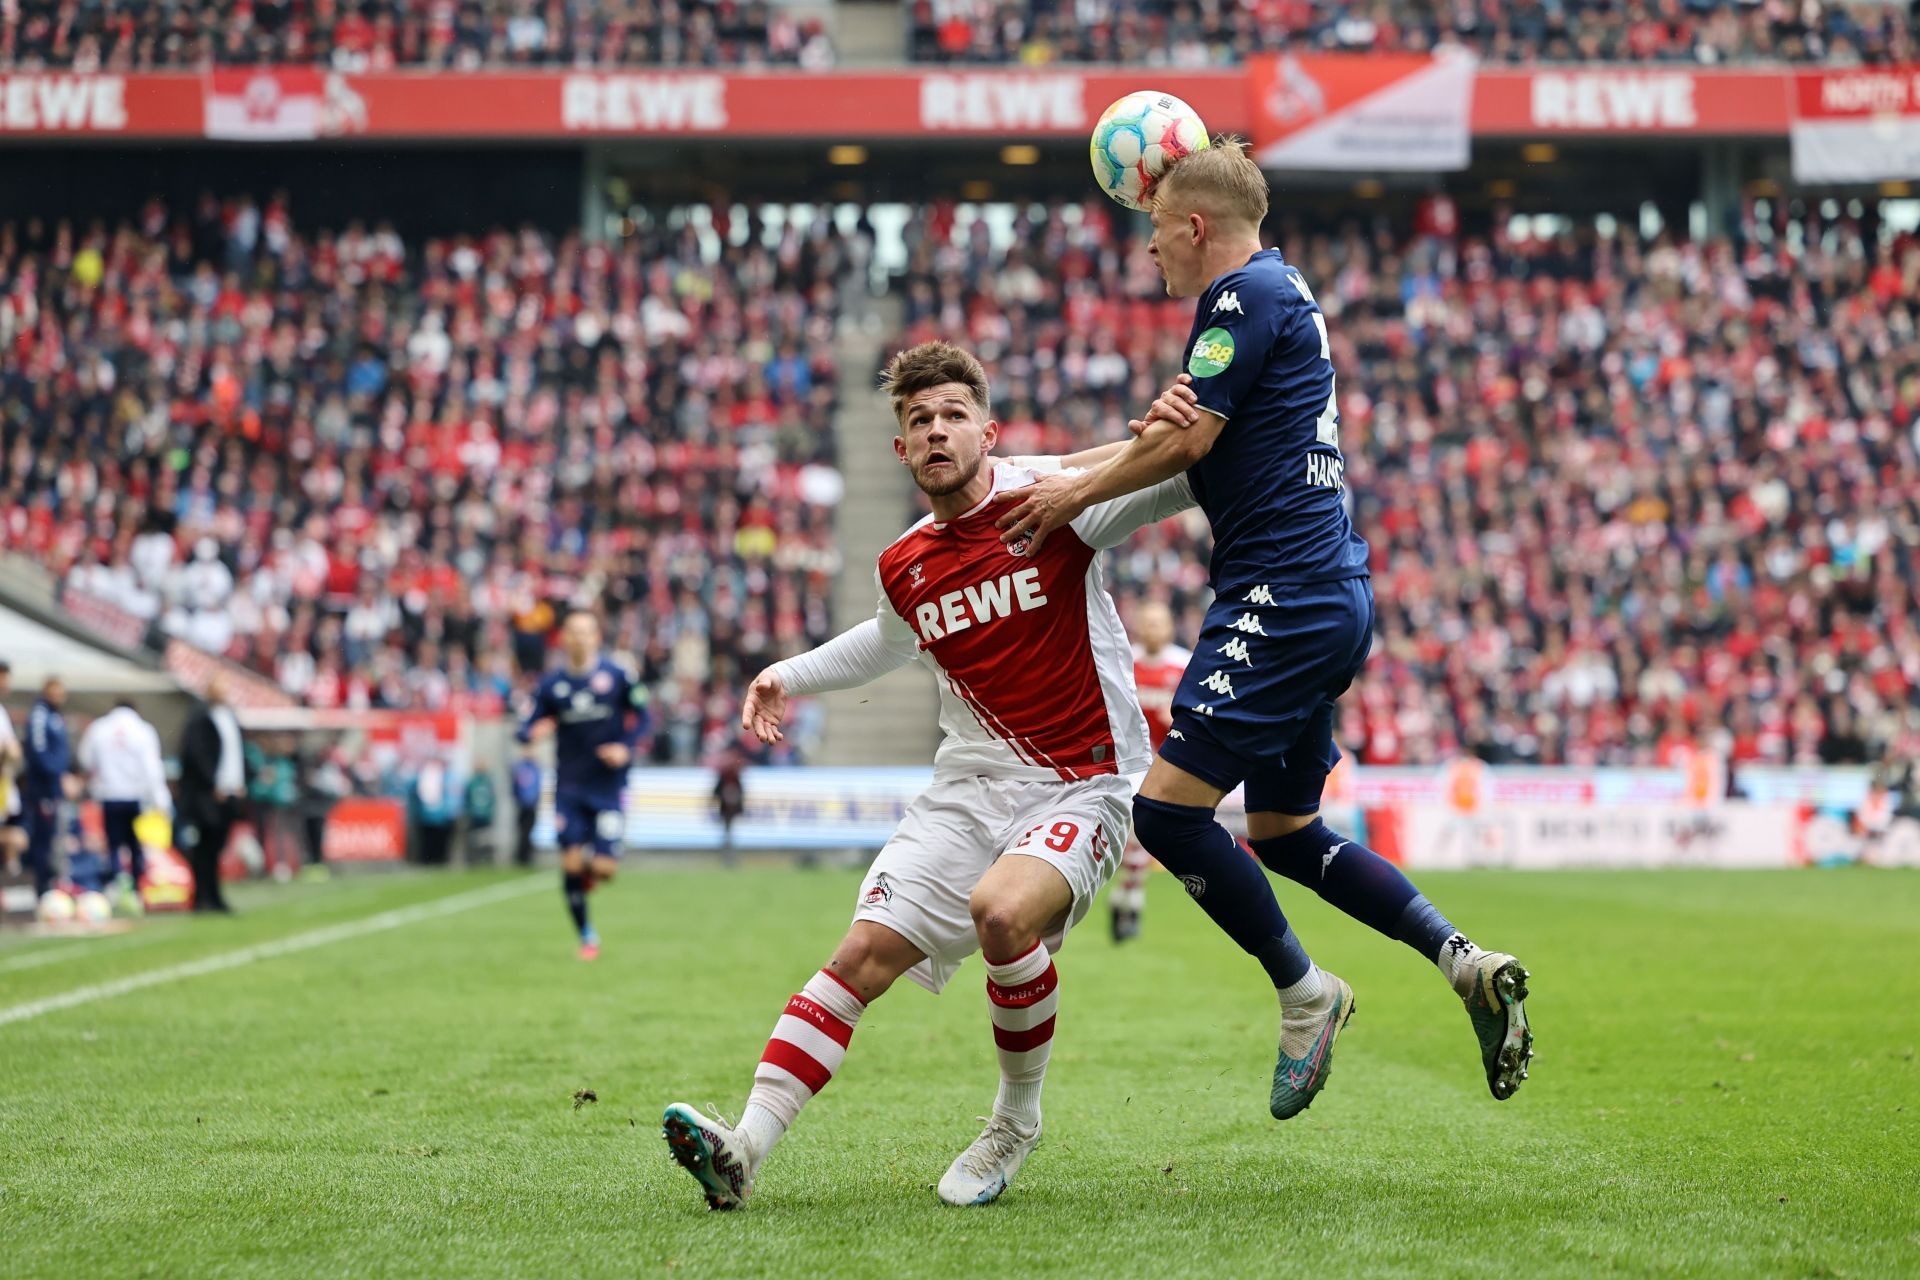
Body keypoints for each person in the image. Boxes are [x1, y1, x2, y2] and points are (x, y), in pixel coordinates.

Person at [993, 140, 1535, 1115]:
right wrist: (1036, 475)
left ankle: (1305, 994)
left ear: (1194, 226)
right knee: (1284, 829)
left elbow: (1184, 439)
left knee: (1164, 815)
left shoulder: (1242, 298)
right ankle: (1463, 960)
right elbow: (1170, 449)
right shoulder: (1277, 302)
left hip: (1280, 596)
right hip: (1324, 593)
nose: (1149, 248)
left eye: (1155, 228)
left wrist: (1068, 493)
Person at [661, 341, 1194, 1212]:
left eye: (952, 415)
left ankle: (1014, 1122)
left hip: (1084, 783)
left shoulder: (1052, 503)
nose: (937, 430)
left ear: (988, 430)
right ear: (903, 449)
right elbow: (885, 642)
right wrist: (785, 673)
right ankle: (744, 1147)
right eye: (919, 420)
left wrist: (1184, 431)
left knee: (1001, 912)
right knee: (858, 956)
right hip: (965, 790)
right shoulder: (905, 563)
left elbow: (1178, 478)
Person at [516, 610, 648, 960]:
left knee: (604, 869)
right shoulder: (551, 685)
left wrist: (626, 747)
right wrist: (533, 730)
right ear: (564, 639)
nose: (580, 638)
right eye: (573, 632)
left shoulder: (617, 676)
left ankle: (589, 878)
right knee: (571, 864)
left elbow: (645, 716)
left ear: (596, 638)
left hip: (607, 786)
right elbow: (523, 726)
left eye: (586, 632)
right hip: (569, 787)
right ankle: (588, 936)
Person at [1110, 601, 1189, 942]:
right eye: (1148, 622)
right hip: (1128, 761)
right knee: (1133, 834)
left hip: (1167, 762)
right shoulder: (1123, 660)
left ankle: (1126, 898)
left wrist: (1181, 720)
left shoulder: (1184, 664)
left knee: (1143, 834)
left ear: (1170, 627)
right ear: (1138, 626)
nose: (1153, 629)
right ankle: (1128, 899)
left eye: (1159, 623)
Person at [76, 699, 172, 912]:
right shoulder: (143, 730)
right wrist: (161, 800)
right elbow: (152, 768)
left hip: (109, 795)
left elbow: (85, 758)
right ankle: (136, 889)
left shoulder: (99, 728)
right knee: (134, 844)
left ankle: (114, 886)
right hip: (135, 796)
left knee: (112, 844)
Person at [178, 674, 248, 913]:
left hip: (229, 792)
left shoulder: (230, 718)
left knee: (217, 846)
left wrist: (239, 781)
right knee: (204, 847)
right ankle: (202, 897)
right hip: (207, 796)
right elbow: (197, 756)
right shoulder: (200, 718)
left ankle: (214, 896)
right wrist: (213, 784)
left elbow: (237, 755)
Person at [22, 677, 76, 898]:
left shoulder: (54, 716)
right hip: (42, 788)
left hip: (53, 788)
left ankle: (52, 884)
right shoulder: (40, 715)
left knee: (55, 837)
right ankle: (42, 888)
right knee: (43, 838)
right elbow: (38, 751)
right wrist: (57, 775)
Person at [0, 661, 25, 876]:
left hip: (3, 785)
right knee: (13, 837)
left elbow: (13, 749)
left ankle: (12, 883)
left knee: (12, 844)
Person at [509, 753, 541, 867]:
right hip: (523, 805)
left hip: (531, 805)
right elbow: (516, 787)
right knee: (523, 831)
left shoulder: (534, 768)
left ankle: (525, 856)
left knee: (528, 831)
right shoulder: (521, 768)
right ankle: (522, 857)